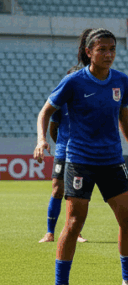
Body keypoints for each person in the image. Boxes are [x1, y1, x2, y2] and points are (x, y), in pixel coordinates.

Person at [33, 28, 128, 285]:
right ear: (89, 52)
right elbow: (46, 111)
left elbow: (123, 116)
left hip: (112, 160)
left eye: (112, 49)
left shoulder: (121, 81)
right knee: (75, 222)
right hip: (80, 161)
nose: (108, 54)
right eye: (102, 49)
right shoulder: (74, 81)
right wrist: (42, 140)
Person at [36, 103, 87, 244]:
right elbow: (53, 129)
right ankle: (49, 233)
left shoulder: (87, 100)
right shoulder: (61, 103)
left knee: (78, 193)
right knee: (57, 189)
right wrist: (61, 144)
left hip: (81, 152)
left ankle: (77, 233)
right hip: (63, 152)